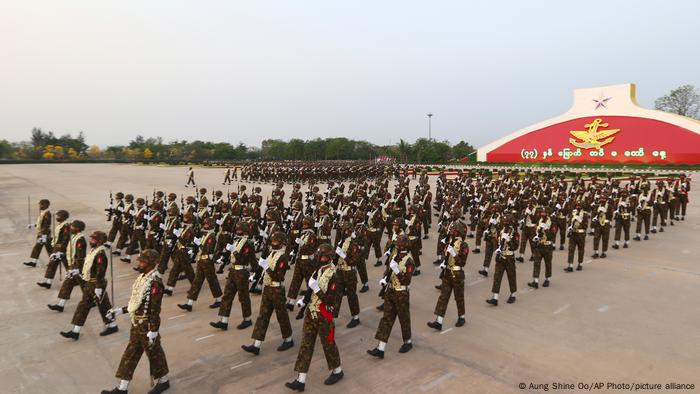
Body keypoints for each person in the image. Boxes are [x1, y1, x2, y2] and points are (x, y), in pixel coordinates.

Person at [101, 249, 170, 394]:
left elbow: (155, 310)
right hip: (136, 323)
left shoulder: (155, 283)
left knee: (155, 354)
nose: (139, 263)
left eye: (142, 261)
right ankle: (122, 388)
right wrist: (120, 310)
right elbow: (136, 302)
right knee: (130, 354)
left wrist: (154, 330)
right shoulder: (143, 278)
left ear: (150, 264)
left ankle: (163, 381)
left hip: (146, 326)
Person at [285, 244, 344, 391]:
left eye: (323, 257)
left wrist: (317, 289)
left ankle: (337, 371)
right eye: (319, 256)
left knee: (328, 344)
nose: (320, 259)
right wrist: (304, 300)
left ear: (329, 258)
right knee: (306, 345)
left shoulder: (334, 276)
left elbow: (330, 300)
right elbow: (311, 291)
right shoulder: (317, 271)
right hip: (311, 313)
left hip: (324, 315)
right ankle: (301, 379)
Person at [242, 231, 294, 355]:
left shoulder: (283, 257)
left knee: (281, 316)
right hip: (268, 288)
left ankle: (288, 339)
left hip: (277, 289)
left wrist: (267, 267)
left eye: (276, 241)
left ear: (281, 243)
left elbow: (278, 276)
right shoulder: (272, 254)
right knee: (263, 316)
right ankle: (256, 344)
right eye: (273, 241)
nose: (273, 243)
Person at [60, 230, 118, 340]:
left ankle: (112, 325)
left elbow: (100, 272)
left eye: (93, 239)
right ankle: (75, 330)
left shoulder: (100, 254)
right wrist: (77, 271)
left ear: (99, 241)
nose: (90, 241)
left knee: (103, 305)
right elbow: (87, 266)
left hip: (96, 283)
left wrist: (98, 287)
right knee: (84, 305)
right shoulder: (93, 251)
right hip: (90, 282)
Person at [367, 235, 415, 358]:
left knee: (403, 318)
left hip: (401, 293)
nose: (397, 247)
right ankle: (381, 348)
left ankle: (407, 342)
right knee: (386, 318)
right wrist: (385, 279)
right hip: (391, 291)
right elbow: (389, 271)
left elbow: (406, 280)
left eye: (398, 245)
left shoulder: (409, 261)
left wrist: (397, 270)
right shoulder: (396, 257)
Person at [210, 221, 255, 330]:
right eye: (237, 229)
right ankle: (224, 321)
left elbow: (243, 258)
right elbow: (229, 256)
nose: (237, 231)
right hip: (233, 271)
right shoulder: (236, 241)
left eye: (240, 229)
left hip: (242, 272)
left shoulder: (248, 243)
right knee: (227, 296)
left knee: (243, 297)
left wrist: (233, 251)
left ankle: (247, 319)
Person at [427, 222, 468, 330]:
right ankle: (439, 321)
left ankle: (461, 317)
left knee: (458, 297)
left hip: (457, 274)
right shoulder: (450, 242)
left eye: (453, 231)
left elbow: (462, 263)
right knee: (443, 297)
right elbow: (445, 254)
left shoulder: (463, 245)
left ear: (457, 232)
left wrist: (454, 254)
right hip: (447, 272)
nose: (451, 232)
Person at [177, 218, 222, 311]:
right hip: (201, 260)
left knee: (212, 281)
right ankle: (189, 303)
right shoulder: (205, 235)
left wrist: (198, 243)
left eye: (206, 225)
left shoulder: (212, 236)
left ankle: (219, 299)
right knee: (196, 282)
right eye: (204, 224)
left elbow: (208, 249)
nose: (204, 226)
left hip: (207, 262)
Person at [48, 219, 87, 312]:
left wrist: (77, 269)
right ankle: (60, 305)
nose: (70, 227)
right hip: (72, 265)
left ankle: (93, 300)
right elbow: (70, 251)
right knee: (68, 285)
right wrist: (60, 254)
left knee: (86, 286)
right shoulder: (73, 236)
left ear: (77, 229)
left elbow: (80, 257)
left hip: (78, 266)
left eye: (73, 226)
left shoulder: (80, 240)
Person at [486, 215, 519, 306]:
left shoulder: (514, 233)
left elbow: (515, 247)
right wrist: (497, 249)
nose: (505, 224)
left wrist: (509, 241)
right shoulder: (501, 231)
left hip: (509, 258)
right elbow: (497, 242)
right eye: (504, 222)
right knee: (497, 276)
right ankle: (495, 297)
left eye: (506, 222)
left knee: (511, 276)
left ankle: (513, 294)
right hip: (501, 256)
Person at [37, 210, 71, 289]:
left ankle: (78, 280)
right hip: (57, 248)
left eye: (58, 216)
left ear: (63, 217)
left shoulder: (66, 226)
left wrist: (61, 250)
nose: (57, 218)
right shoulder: (60, 225)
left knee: (69, 266)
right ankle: (48, 283)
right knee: (52, 265)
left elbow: (65, 239)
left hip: (62, 249)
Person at [23, 199, 53, 267]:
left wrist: (44, 236)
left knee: (47, 248)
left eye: (41, 204)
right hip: (42, 233)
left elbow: (46, 225)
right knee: (41, 247)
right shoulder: (43, 213)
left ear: (45, 205)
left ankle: (51, 262)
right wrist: (33, 225)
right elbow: (40, 224)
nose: (39, 206)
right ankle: (34, 262)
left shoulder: (47, 213)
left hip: (45, 233)